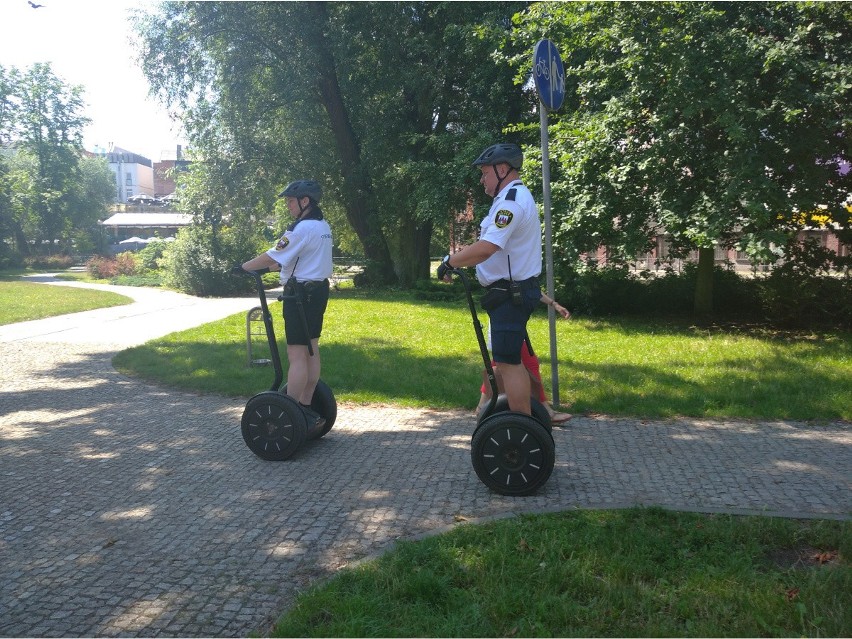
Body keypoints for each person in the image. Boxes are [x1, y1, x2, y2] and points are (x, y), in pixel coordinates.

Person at [438, 142, 542, 415]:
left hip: (511, 293)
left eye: (485, 173)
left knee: (508, 363)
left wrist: (449, 262)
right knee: (507, 360)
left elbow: (487, 248)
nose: (482, 179)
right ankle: (523, 422)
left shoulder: (510, 203)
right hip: (511, 292)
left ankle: (522, 426)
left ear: (503, 169)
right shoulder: (512, 199)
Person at [239, 180, 333, 428]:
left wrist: (242, 268)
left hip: (299, 296)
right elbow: (295, 259)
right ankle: (305, 405)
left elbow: (274, 254)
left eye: (291, 201)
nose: (289, 206)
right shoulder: (322, 226)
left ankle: (289, 413)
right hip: (318, 292)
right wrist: (270, 269)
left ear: (305, 202)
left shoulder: (301, 229)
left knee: (297, 354)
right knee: (311, 348)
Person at [476, 293, 573, 423]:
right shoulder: (511, 276)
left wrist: (554, 304)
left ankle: (481, 407)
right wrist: (553, 304)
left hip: (511, 324)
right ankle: (546, 411)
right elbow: (529, 287)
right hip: (505, 325)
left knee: (499, 365)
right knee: (526, 363)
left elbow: (530, 287)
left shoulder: (519, 276)